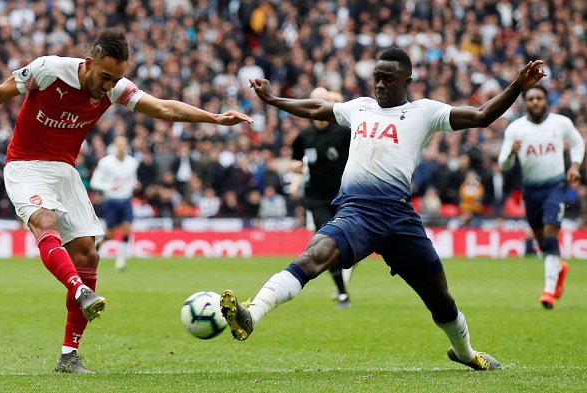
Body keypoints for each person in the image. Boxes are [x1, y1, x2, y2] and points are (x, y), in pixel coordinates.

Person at [0, 27, 253, 374]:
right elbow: (0, 93)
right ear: (89, 63)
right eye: (105, 76)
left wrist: (214, 118)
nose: (109, 85)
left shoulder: (115, 88)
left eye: (116, 78)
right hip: (25, 166)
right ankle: (80, 290)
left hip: (65, 172)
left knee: (88, 253)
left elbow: (165, 108)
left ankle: (68, 356)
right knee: (43, 222)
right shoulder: (49, 69)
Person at [219, 47, 546, 371]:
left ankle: (465, 352)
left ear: (407, 81)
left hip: (400, 218)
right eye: (376, 78)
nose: (379, 85)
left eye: (388, 79)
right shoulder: (360, 108)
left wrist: (518, 85)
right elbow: (317, 107)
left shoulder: (425, 112)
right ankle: (253, 313)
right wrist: (275, 100)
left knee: (440, 299)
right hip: (357, 212)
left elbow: (480, 116)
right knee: (312, 256)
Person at [497, 85, 584, 310]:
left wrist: (574, 165)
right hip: (531, 190)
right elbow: (503, 164)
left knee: (551, 233)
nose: (535, 102)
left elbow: (577, 143)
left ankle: (548, 289)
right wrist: (511, 154)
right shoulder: (516, 129)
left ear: (546, 101)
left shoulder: (560, 123)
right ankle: (559, 269)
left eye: (539, 98)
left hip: (556, 185)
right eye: (531, 99)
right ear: (525, 103)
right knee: (542, 241)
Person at [290, 87, 354, 309]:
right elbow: (294, 160)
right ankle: (343, 292)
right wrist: (295, 166)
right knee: (325, 244)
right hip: (317, 197)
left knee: (347, 243)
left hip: (345, 196)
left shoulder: (343, 132)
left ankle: (346, 272)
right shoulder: (303, 136)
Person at [90, 135, 139, 271]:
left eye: (124, 144)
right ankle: (99, 244)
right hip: (111, 200)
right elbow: (95, 182)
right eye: (119, 144)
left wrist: (135, 184)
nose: (122, 147)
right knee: (110, 234)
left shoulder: (132, 162)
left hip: (126, 200)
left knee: (126, 229)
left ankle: (121, 261)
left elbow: (132, 179)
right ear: (114, 147)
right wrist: (109, 187)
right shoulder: (106, 163)